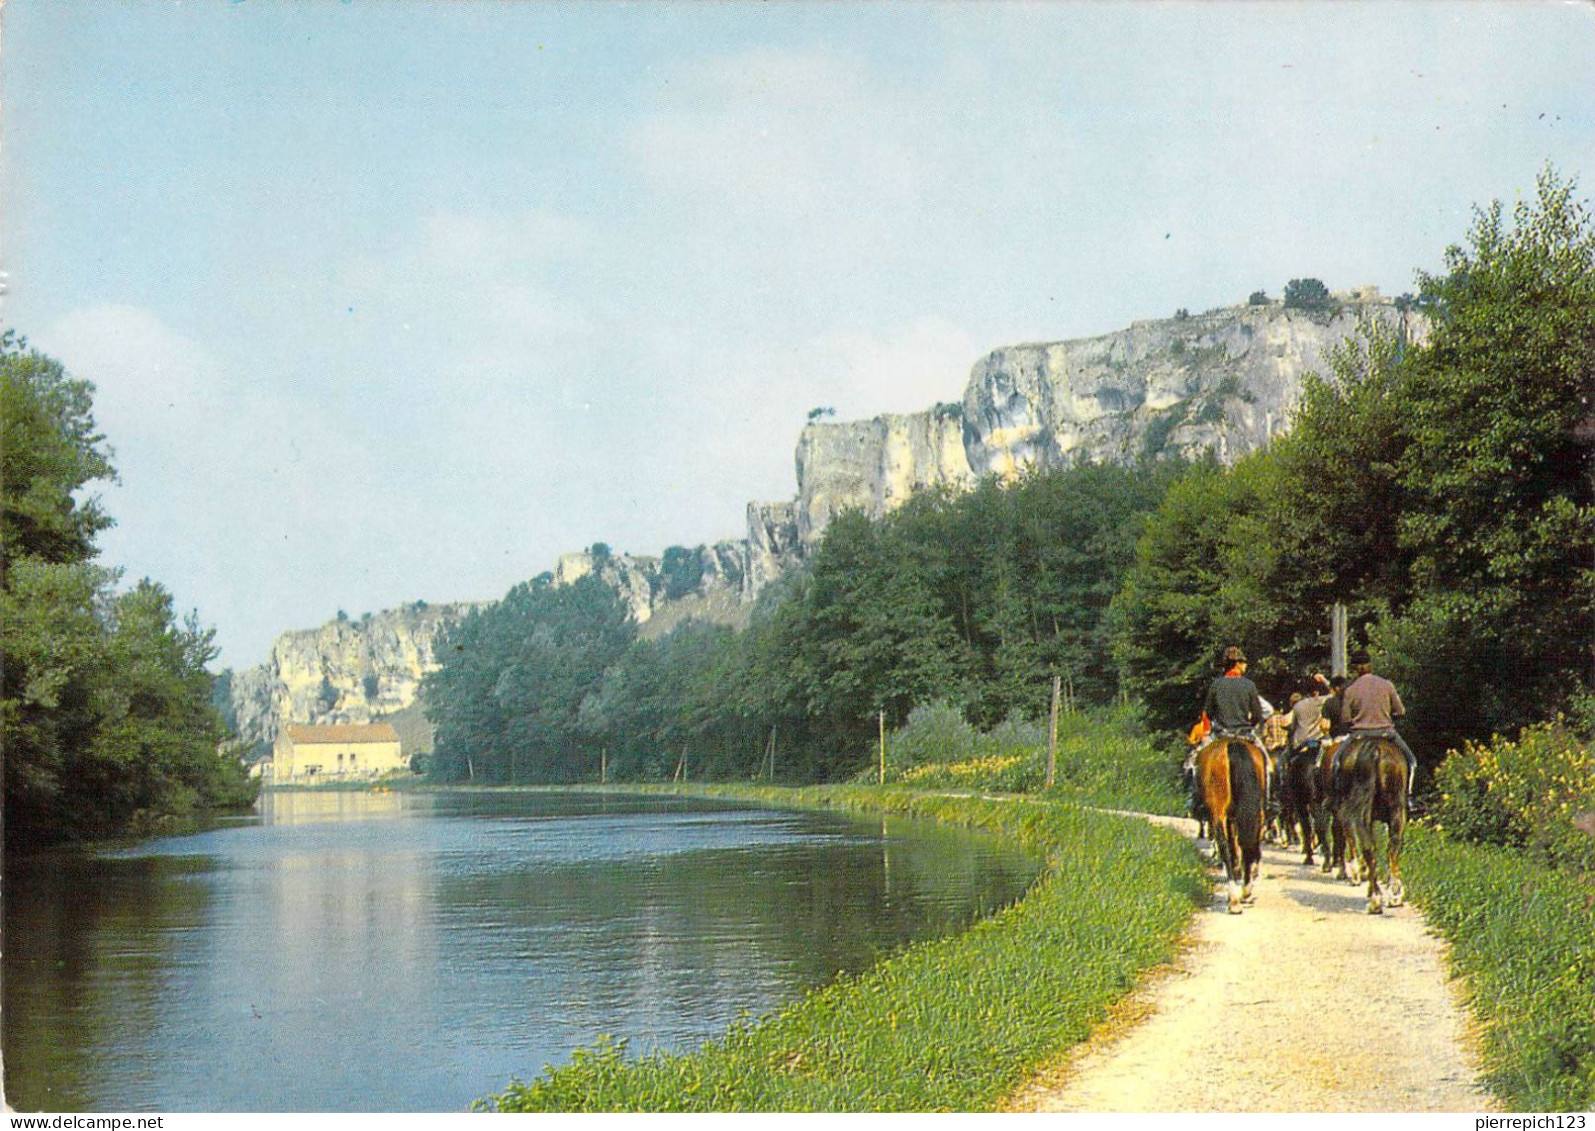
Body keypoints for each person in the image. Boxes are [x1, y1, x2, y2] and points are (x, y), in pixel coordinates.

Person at [1339, 656, 1418, 794]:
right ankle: (1409, 796)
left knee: (1336, 762)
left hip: (1359, 734)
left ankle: (1339, 795)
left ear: (1356, 670)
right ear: (1371, 666)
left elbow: (1345, 719)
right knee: (1412, 762)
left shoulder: (1350, 690)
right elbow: (1401, 711)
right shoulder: (1387, 685)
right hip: (1386, 733)